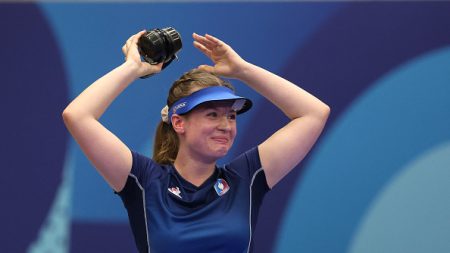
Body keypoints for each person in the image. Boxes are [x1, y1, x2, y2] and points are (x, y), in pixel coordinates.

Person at [62, 30, 330, 253]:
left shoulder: (246, 179)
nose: (225, 126)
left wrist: (243, 70)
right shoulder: (144, 182)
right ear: (179, 123)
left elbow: (314, 113)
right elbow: (78, 115)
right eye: (212, 114)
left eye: (231, 116)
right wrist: (132, 68)